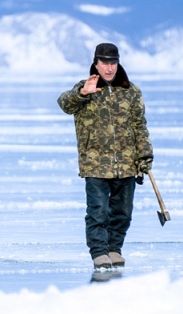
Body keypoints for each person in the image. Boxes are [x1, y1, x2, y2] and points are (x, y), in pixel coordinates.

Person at [57, 43, 153, 271]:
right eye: (104, 63)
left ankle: (114, 249)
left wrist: (145, 155)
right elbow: (64, 104)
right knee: (98, 210)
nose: (109, 68)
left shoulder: (131, 91)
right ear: (96, 64)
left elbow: (140, 125)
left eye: (113, 63)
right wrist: (82, 94)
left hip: (127, 163)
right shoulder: (85, 88)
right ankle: (99, 252)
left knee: (123, 212)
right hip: (95, 163)